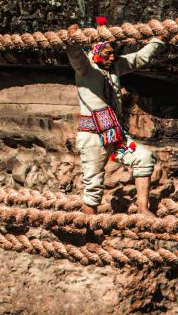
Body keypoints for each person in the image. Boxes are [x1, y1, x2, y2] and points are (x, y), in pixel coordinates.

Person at [66, 23, 165, 217]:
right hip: (93, 137)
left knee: (143, 158)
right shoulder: (85, 68)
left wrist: (157, 41)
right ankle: (89, 235)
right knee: (93, 187)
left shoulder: (115, 66)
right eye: (107, 54)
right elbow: (75, 55)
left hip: (114, 134)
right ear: (96, 53)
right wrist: (72, 40)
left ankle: (143, 208)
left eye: (114, 54)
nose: (112, 57)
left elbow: (138, 58)